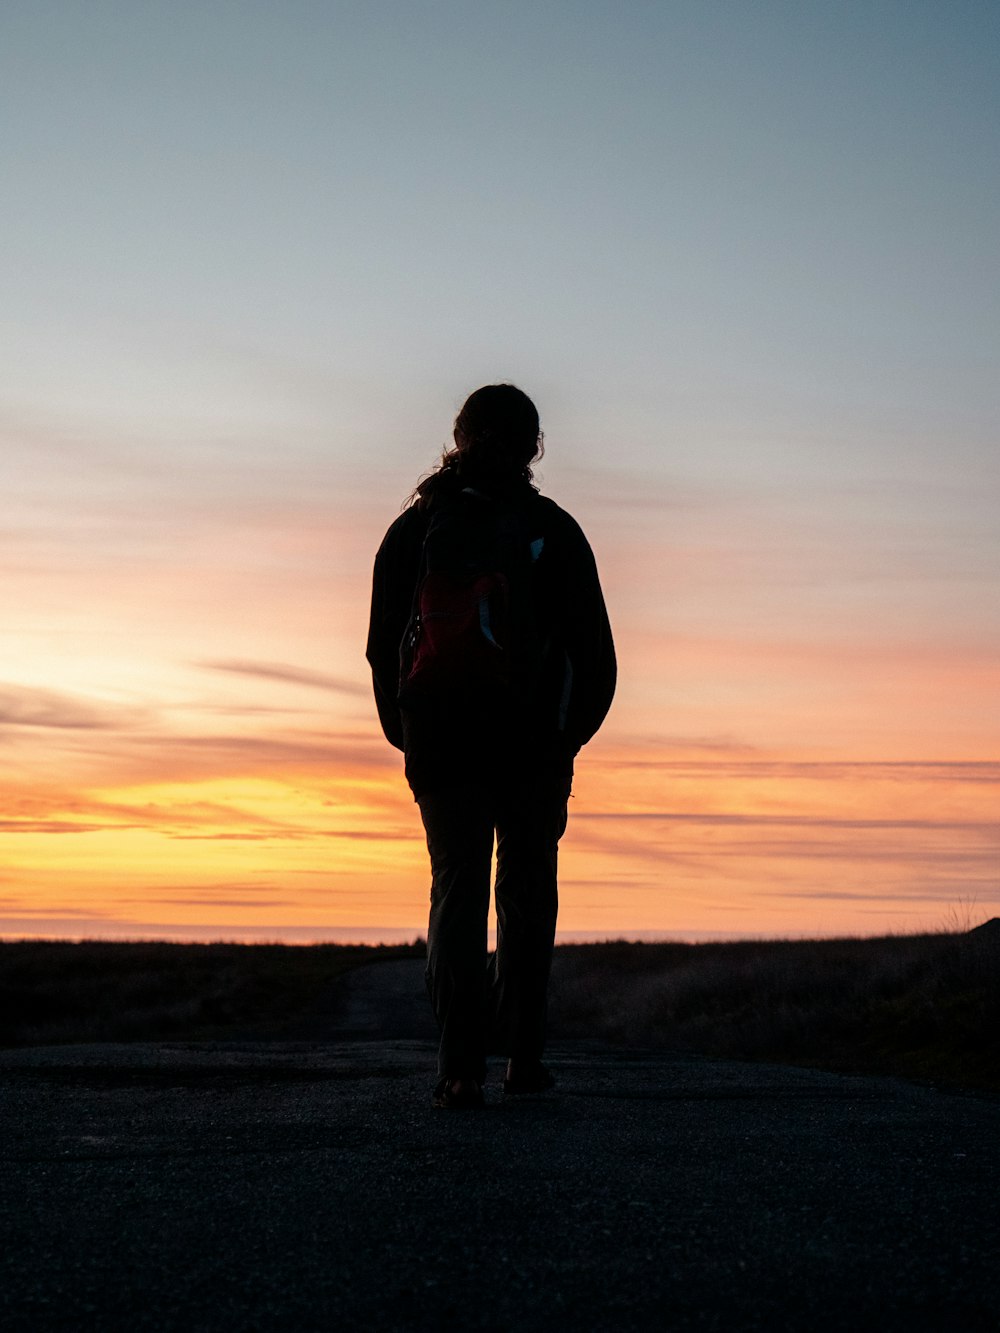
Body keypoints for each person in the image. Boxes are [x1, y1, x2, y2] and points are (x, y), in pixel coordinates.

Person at [366, 384, 616, 1108]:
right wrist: (565, 739)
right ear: (535, 446)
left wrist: (410, 735)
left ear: (458, 435)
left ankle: (458, 1066)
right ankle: (524, 1060)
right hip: (534, 746)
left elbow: (384, 653)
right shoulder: (554, 530)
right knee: (527, 890)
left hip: (442, 746)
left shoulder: (413, 531)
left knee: (457, 888)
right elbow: (597, 658)